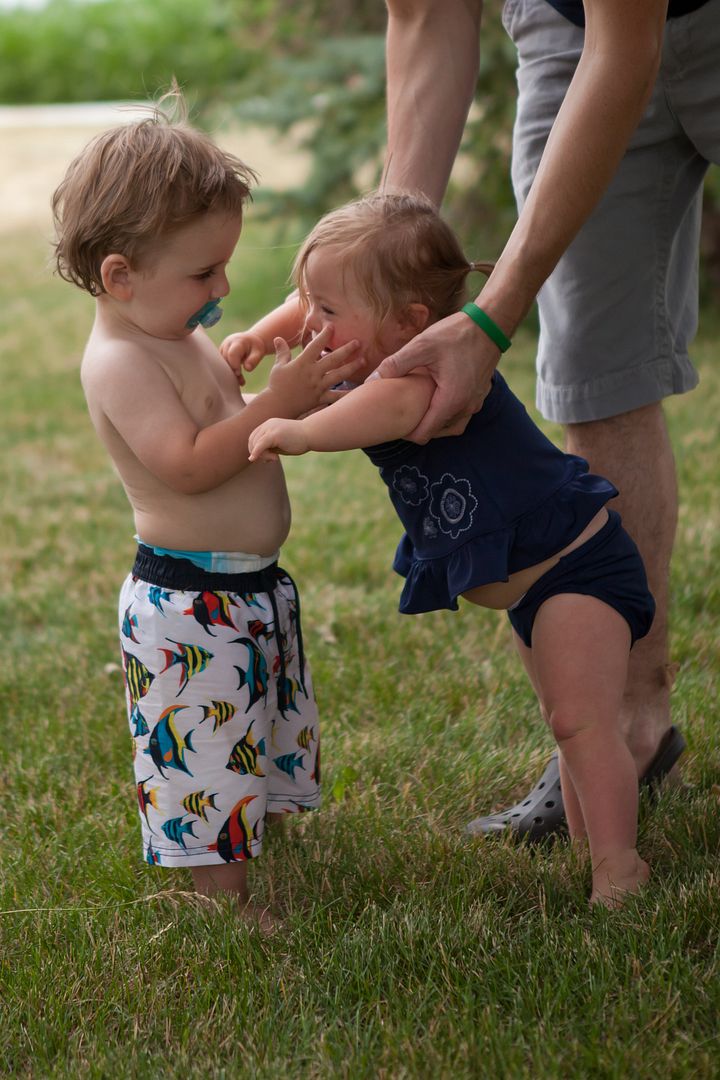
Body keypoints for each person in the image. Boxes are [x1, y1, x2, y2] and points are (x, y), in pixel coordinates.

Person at [233, 191, 655, 906]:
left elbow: (376, 413)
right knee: (567, 720)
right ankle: (594, 847)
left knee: (582, 720)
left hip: (578, 568)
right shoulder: (377, 361)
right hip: (533, 586)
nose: (313, 325)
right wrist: (261, 348)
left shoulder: (426, 375)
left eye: (329, 313)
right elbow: (326, 357)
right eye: (312, 307)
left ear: (410, 324)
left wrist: (298, 429)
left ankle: (621, 865)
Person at [367, 0, 713, 836]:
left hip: (624, 26)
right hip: (572, 23)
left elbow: (627, 46)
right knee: (596, 372)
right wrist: (369, 273)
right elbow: (426, 15)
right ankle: (627, 733)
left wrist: (491, 317)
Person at [50, 93, 360, 928]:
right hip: (187, 608)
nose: (223, 286)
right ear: (121, 275)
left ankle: (261, 825)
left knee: (259, 721)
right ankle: (226, 902)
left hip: (251, 590)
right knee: (206, 753)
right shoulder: (119, 360)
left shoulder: (172, 333)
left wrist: (246, 377)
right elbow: (186, 465)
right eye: (203, 273)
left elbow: (216, 421)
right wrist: (273, 406)